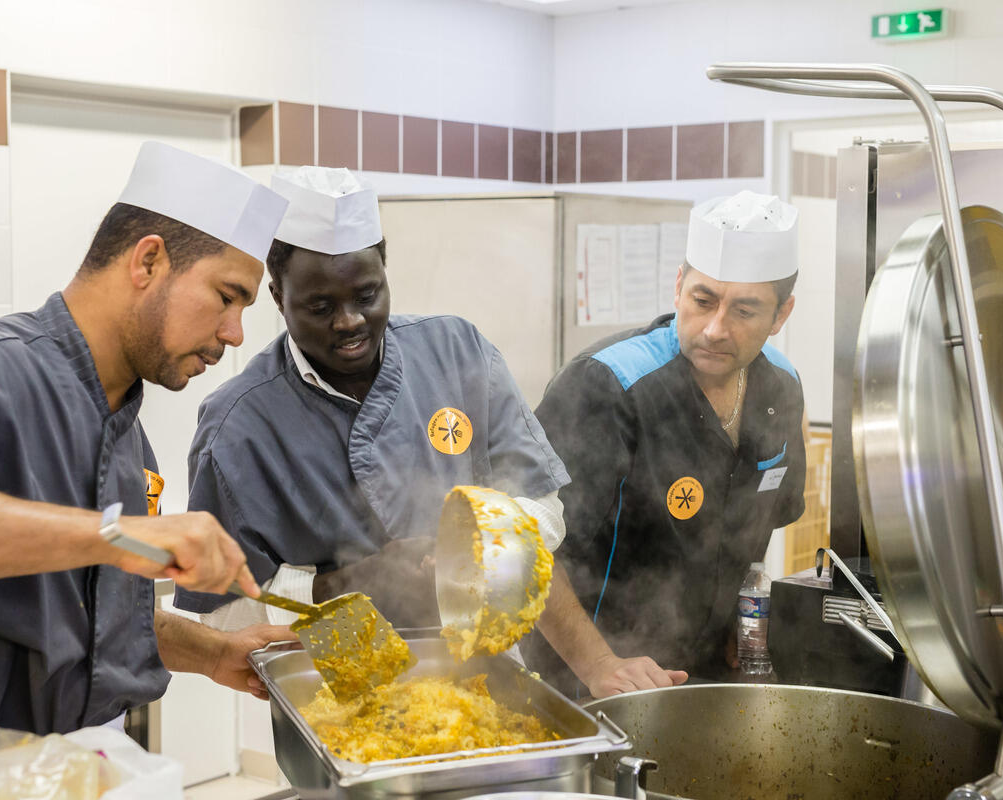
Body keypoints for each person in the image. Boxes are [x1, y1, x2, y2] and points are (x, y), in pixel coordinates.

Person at [0, 141, 293, 773]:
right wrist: (115, 534)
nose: (235, 333)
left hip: (80, 770)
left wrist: (213, 652)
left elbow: (90, 614)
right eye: (227, 297)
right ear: (148, 260)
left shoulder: (126, 425)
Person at [174, 166, 685, 697]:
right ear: (278, 297)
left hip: (487, 670)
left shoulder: (457, 352)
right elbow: (223, 618)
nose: (349, 321)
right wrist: (352, 586)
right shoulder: (239, 425)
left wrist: (478, 543)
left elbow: (543, 506)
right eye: (320, 307)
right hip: (338, 687)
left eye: (367, 295)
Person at [523, 191, 807, 692]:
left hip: (704, 676)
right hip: (587, 677)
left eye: (744, 310)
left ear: (781, 315)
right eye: (703, 301)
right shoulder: (606, 385)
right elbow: (525, 547)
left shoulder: (780, 387)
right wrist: (597, 664)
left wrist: (741, 621)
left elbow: (762, 521)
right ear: (678, 287)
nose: (716, 329)